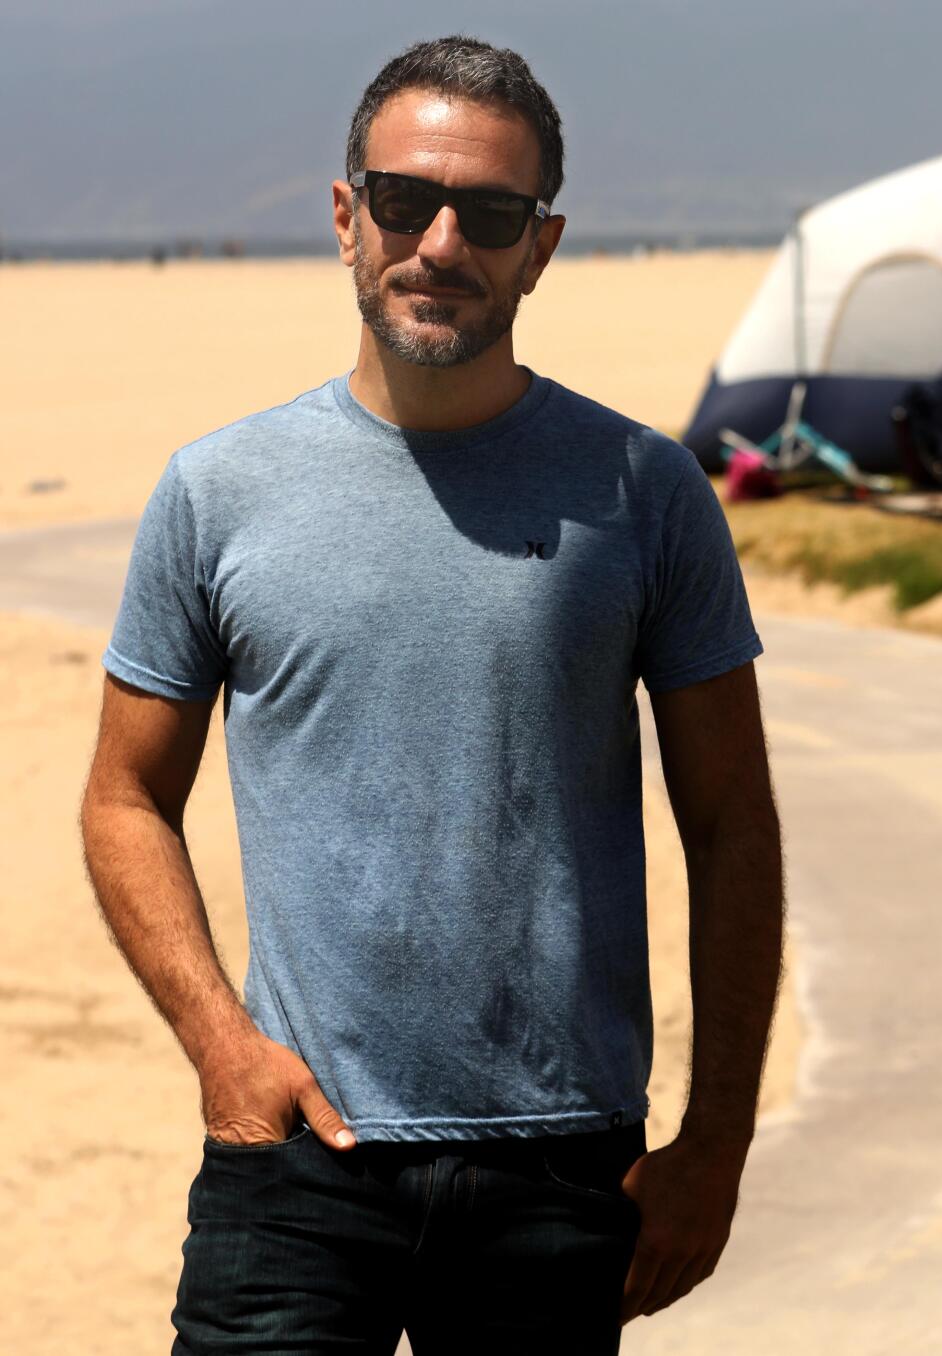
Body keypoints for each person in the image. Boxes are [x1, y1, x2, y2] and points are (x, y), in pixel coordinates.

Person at [78, 36, 783, 1353]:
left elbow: (734, 823)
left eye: (491, 214)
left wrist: (720, 1142)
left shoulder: (645, 494)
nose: (443, 242)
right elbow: (124, 796)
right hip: (294, 1159)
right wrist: (221, 1044)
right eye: (405, 200)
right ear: (348, 217)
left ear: (542, 245)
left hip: (559, 1173)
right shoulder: (216, 493)